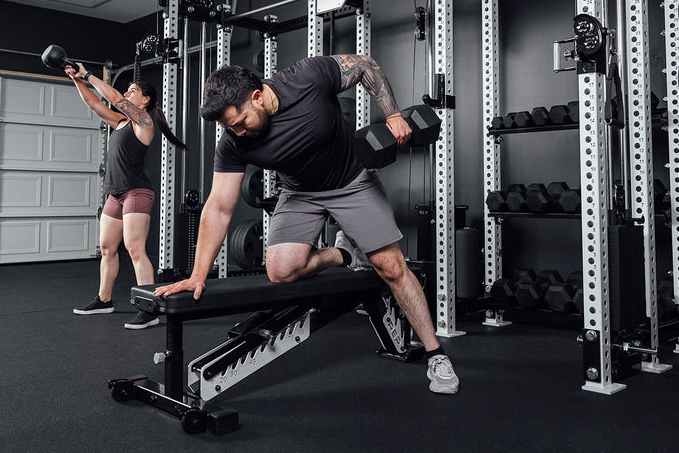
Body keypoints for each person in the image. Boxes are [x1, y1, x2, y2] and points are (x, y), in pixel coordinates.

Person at [154, 54, 459, 394]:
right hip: (299, 193)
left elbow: (365, 67)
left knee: (391, 268)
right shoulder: (233, 144)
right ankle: (344, 254)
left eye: (239, 122)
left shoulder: (308, 77)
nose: (236, 132)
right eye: (229, 128)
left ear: (257, 96)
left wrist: (393, 114)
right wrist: (198, 275)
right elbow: (219, 207)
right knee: (281, 270)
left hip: (351, 182)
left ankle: (435, 355)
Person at [65, 62, 187, 330]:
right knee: (108, 248)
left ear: (145, 101)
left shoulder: (144, 122)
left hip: (136, 191)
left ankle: (149, 308)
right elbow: (95, 105)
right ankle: (104, 300)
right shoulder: (120, 122)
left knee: (134, 249)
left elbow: (116, 100)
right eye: (128, 91)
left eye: (133, 91)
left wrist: (87, 74)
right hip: (114, 193)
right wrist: (77, 80)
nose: (128, 94)